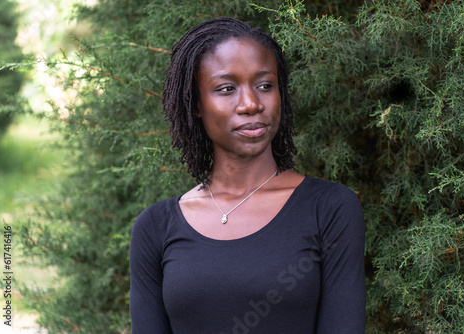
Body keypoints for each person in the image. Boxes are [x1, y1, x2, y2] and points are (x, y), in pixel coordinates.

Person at [130, 17, 365, 333]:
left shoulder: (329, 208)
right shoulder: (155, 228)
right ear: (196, 104)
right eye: (226, 88)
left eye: (265, 85)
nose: (252, 104)